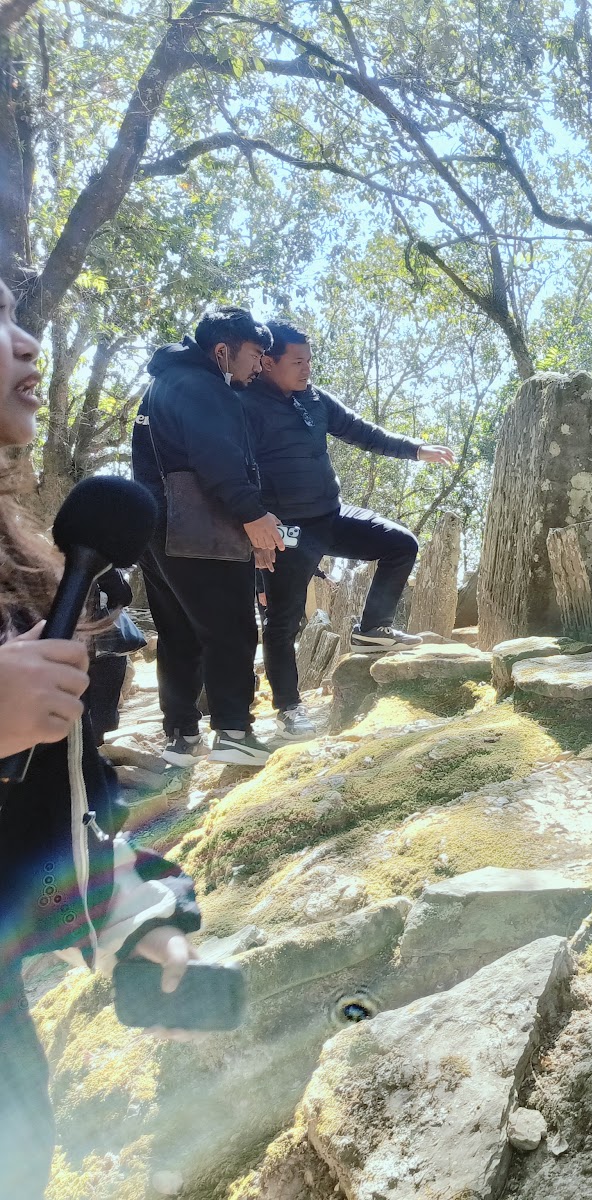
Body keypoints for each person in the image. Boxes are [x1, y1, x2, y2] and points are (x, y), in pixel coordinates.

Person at [0, 276, 202, 1198]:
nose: (26, 345)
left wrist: (135, 919)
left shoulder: (17, 568)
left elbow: (54, 804)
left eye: (18, 319)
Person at [245, 320, 455, 739]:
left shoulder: (316, 400)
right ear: (268, 363)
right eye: (297, 361)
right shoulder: (245, 405)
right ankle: (288, 708)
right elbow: (235, 473)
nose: (306, 369)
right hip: (287, 529)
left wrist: (415, 449)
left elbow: (363, 433)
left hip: (331, 516)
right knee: (282, 621)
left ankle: (373, 630)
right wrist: (255, 538)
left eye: (310, 360)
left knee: (400, 544)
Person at [131, 308, 285, 768]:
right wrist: (253, 515)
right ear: (223, 350)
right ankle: (234, 732)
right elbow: (217, 459)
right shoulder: (203, 386)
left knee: (178, 632)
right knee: (231, 628)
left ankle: (181, 736)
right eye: (256, 354)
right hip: (198, 528)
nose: (260, 366)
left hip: (155, 528)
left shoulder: (164, 382)